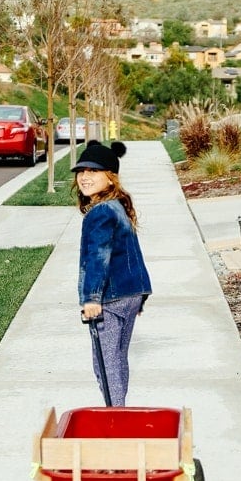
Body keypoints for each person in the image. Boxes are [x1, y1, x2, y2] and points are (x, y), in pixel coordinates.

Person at [71, 140, 152, 407]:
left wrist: (92, 298)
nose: (85, 177)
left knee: (106, 366)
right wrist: (139, 296)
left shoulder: (101, 212)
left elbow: (98, 257)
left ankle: (115, 417)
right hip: (129, 294)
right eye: (81, 171)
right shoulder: (117, 205)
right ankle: (119, 410)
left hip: (110, 298)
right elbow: (131, 254)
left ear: (110, 176)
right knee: (117, 359)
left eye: (93, 171)